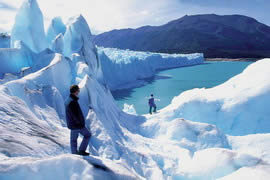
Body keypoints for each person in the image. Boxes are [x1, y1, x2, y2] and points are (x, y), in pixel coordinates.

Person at [65, 85, 91, 156]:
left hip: (72, 125)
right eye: (78, 90)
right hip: (77, 125)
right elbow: (75, 115)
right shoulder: (72, 102)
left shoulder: (69, 100)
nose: (79, 92)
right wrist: (80, 124)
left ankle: (74, 155)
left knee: (73, 140)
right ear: (75, 91)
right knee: (88, 135)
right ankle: (81, 151)